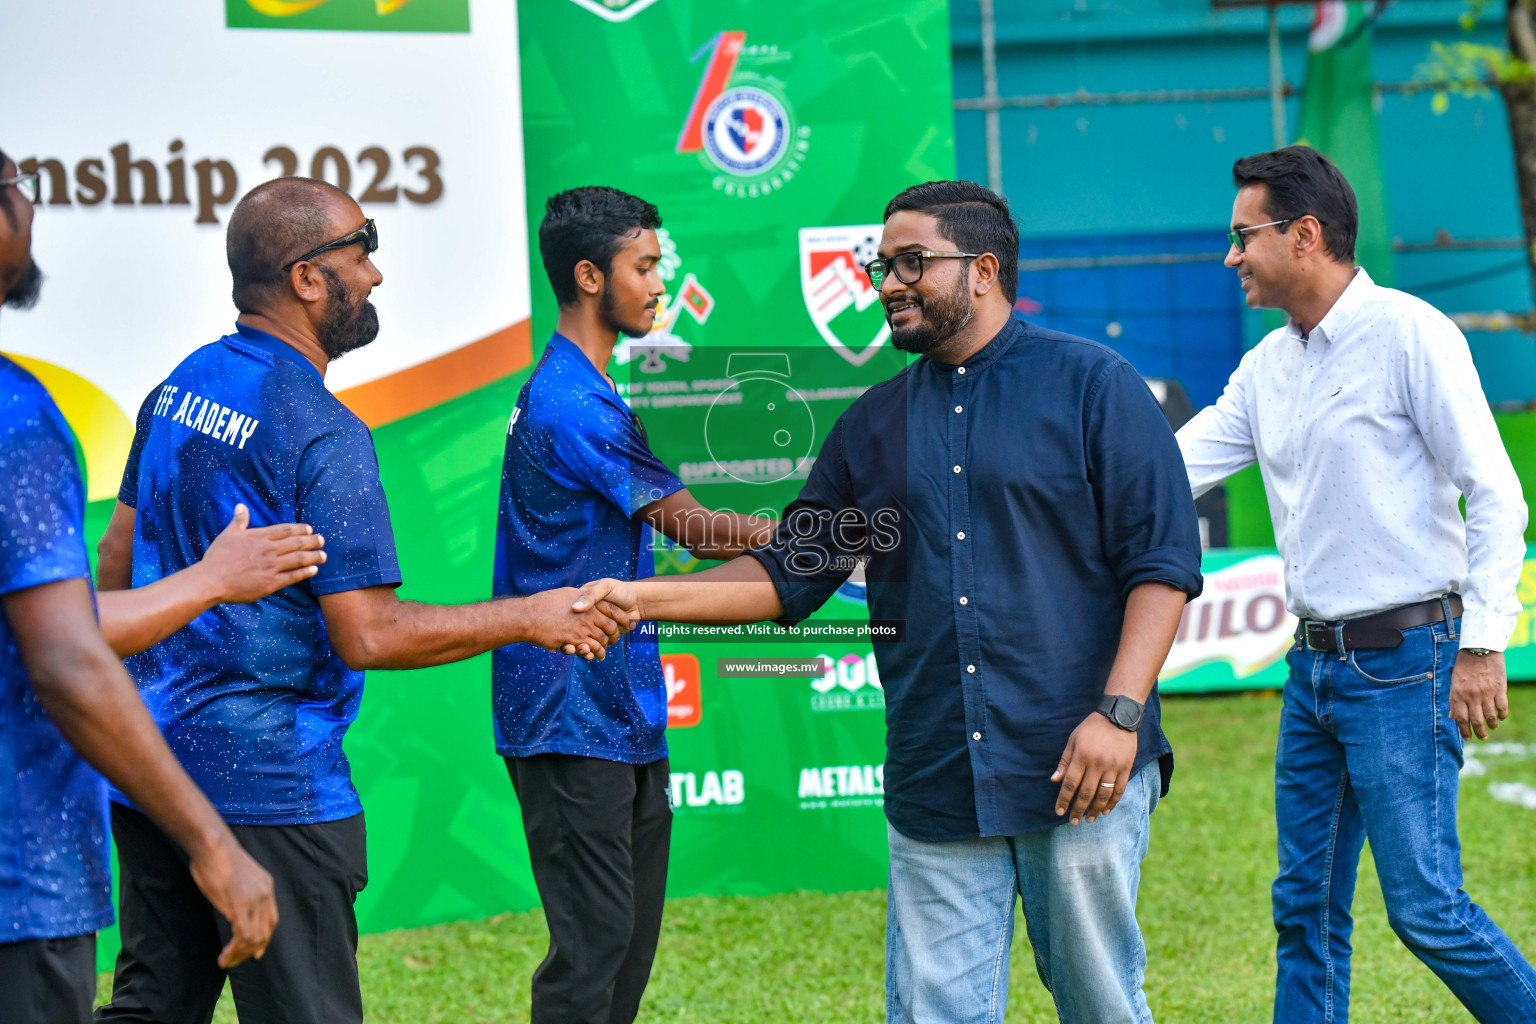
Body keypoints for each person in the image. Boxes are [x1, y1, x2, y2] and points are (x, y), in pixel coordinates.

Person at [572, 180, 1203, 1024]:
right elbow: (786, 575)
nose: (888, 281)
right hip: (938, 775)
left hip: (1078, 767)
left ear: (983, 269)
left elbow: (1161, 563)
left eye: (913, 262)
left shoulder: (1094, 385)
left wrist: (1118, 716)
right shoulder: (870, 426)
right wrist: (642, 597)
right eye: (882, 264)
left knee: (1101, 1008)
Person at [93, 177, 633, 1024]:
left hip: (156, 781)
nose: (376, 273)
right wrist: (533, 615)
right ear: (309, 278)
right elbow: (370, 634)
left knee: (150, 1009)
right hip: (277, 798)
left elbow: (116, 559)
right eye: (362, 248)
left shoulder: (181, 383)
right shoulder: (322, 430)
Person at [1177, 145, 1536, 1024]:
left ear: (1304, 236)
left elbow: (1496, 493)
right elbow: (1169, 466)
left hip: (1409, 662)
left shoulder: (1412, 333)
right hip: (1313, 674)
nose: (1230, 258)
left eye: (1242, 237)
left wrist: (1484, 643)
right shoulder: (1268, 367)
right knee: (1303, 911)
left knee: (1427, 913)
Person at [0, 150, 283, 1024]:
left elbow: (56, 622)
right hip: (20, 881)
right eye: (14, 186)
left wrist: (204, 581)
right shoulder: (15, 419)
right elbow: (65, 660)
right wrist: (212, 844)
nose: (26, 204)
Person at [496, 186, 775, 1024]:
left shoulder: (586, 389)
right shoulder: (571, 403)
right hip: (566, 711)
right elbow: (690, 525)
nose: (661, 283)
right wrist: (823, 533)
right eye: (645, 266)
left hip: (618, 706)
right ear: (589, 277)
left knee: (625, 946)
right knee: (593, 953)